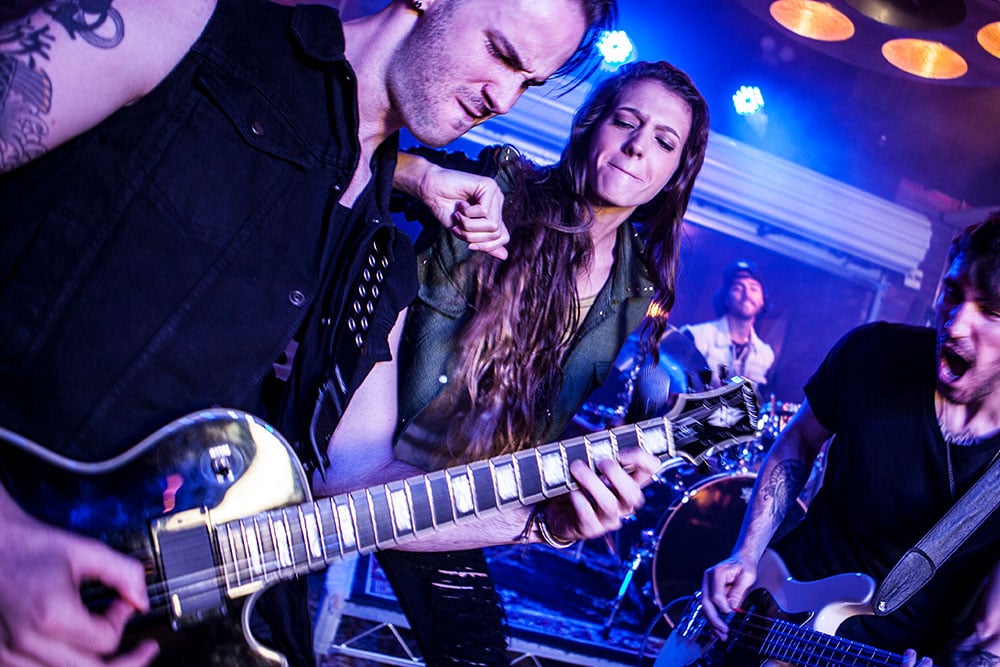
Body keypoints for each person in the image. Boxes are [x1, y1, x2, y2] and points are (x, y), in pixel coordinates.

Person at [0, 0, 634, 664]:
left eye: (528, 83)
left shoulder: (382, 252)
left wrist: (539, 518)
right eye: (501, 54)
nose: (502, 98)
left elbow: (355, 476)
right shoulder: (191, 29)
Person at [319, 60, 711, 664]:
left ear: (675, 174)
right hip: (352, 462)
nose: (638, 147)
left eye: (663, 141)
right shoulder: (502, 184)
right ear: (589, 124)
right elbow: (340, 159)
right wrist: (421, 176)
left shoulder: (636, 288)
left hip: (451, 507)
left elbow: (545, 414)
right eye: (626, 122)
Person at [699, 212, 1000, 666]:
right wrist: (746, 554)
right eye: (953, 294)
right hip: (769, 605)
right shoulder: (873, 352)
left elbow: (990, 635)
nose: (955, 325)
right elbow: (800, 440)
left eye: (991, 312)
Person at [680, 259, 775, 388]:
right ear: (726, 299)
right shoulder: (694, 336)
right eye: (738, 288)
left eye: (753, 289)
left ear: (762, 300)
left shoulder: (765, 355)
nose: (747, 294)